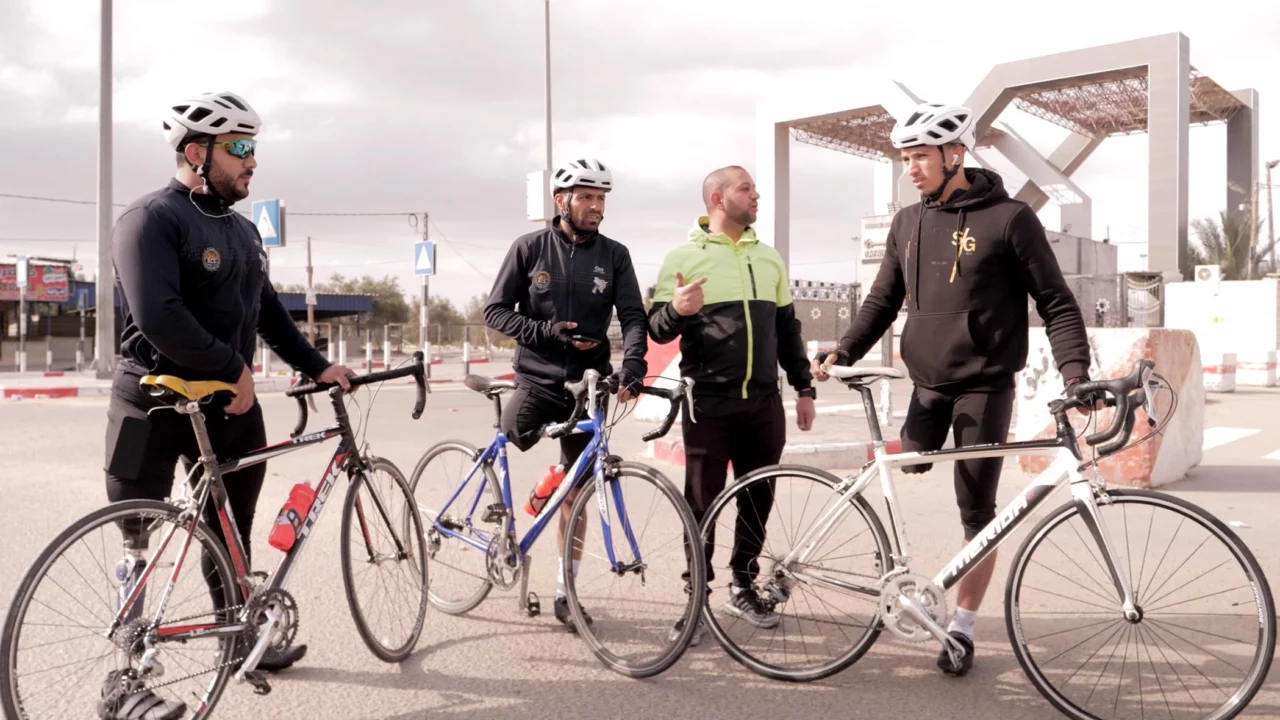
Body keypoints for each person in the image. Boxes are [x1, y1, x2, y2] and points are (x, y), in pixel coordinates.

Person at [813, 102, 1091, 677]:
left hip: (984, 386)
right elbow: (882, 300)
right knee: (908, 464)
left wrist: (1075, 374)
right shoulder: (907, 223)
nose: (910, 168)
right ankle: (881, 572)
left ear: (955, 155)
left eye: (919, 157)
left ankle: (960, 629)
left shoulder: (1011, 218)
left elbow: (1056, 302)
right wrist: (845, 348)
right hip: (926, 382)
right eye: (905, 158)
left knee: (978, 512)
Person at [102, 90, 353, 720]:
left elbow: (268, 312)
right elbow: (159, 315)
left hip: (229, 409)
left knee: (228, 530)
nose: (252, 163)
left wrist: (317, 366)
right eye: (239, 149)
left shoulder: (242, 230)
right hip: (152, 401)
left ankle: (238, 637)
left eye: (254, 149)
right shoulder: (149, 219)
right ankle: (122, 679)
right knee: (138, 539)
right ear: (195, 152)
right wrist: (232, 366)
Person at [648, 165, 816, 644]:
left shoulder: (769, 258)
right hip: (709, 404)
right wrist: (676, 310)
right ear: (718, 199)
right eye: (746, 188)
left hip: (764, 404)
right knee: (700, 505)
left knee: (757, 501)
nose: (756, 195)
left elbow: (788, 331)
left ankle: (743, 585)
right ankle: (695, 598)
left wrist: (803, 389)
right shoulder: (683, 257)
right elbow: (657, 329)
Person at [483, 157, 648, 632]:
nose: (597, 207)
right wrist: (543, 332)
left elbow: (634, 316)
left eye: (602, 199)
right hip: (536, 378)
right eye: (588, 198)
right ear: (563, 201)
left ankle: (564, 591)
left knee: (578, 491)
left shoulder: (614, 255)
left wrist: (633, 364)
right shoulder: (529, 247)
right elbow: (494, 311)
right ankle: (544, 484)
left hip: (588, 385)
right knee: (511, 436)